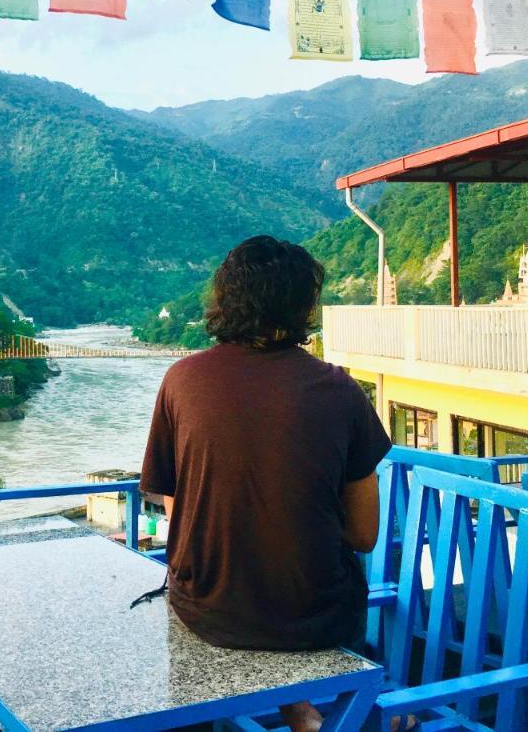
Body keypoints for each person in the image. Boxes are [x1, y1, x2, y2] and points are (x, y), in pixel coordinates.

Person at [140, 235, 392, 732]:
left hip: (208, 612)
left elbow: (179, 514)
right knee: (340, 606)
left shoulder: (181, 379)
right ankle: (337, 714)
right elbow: (364, 535)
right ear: (304, 305)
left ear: (224, 301)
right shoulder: (340, 390)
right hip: (314, 617)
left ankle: (300, 708)